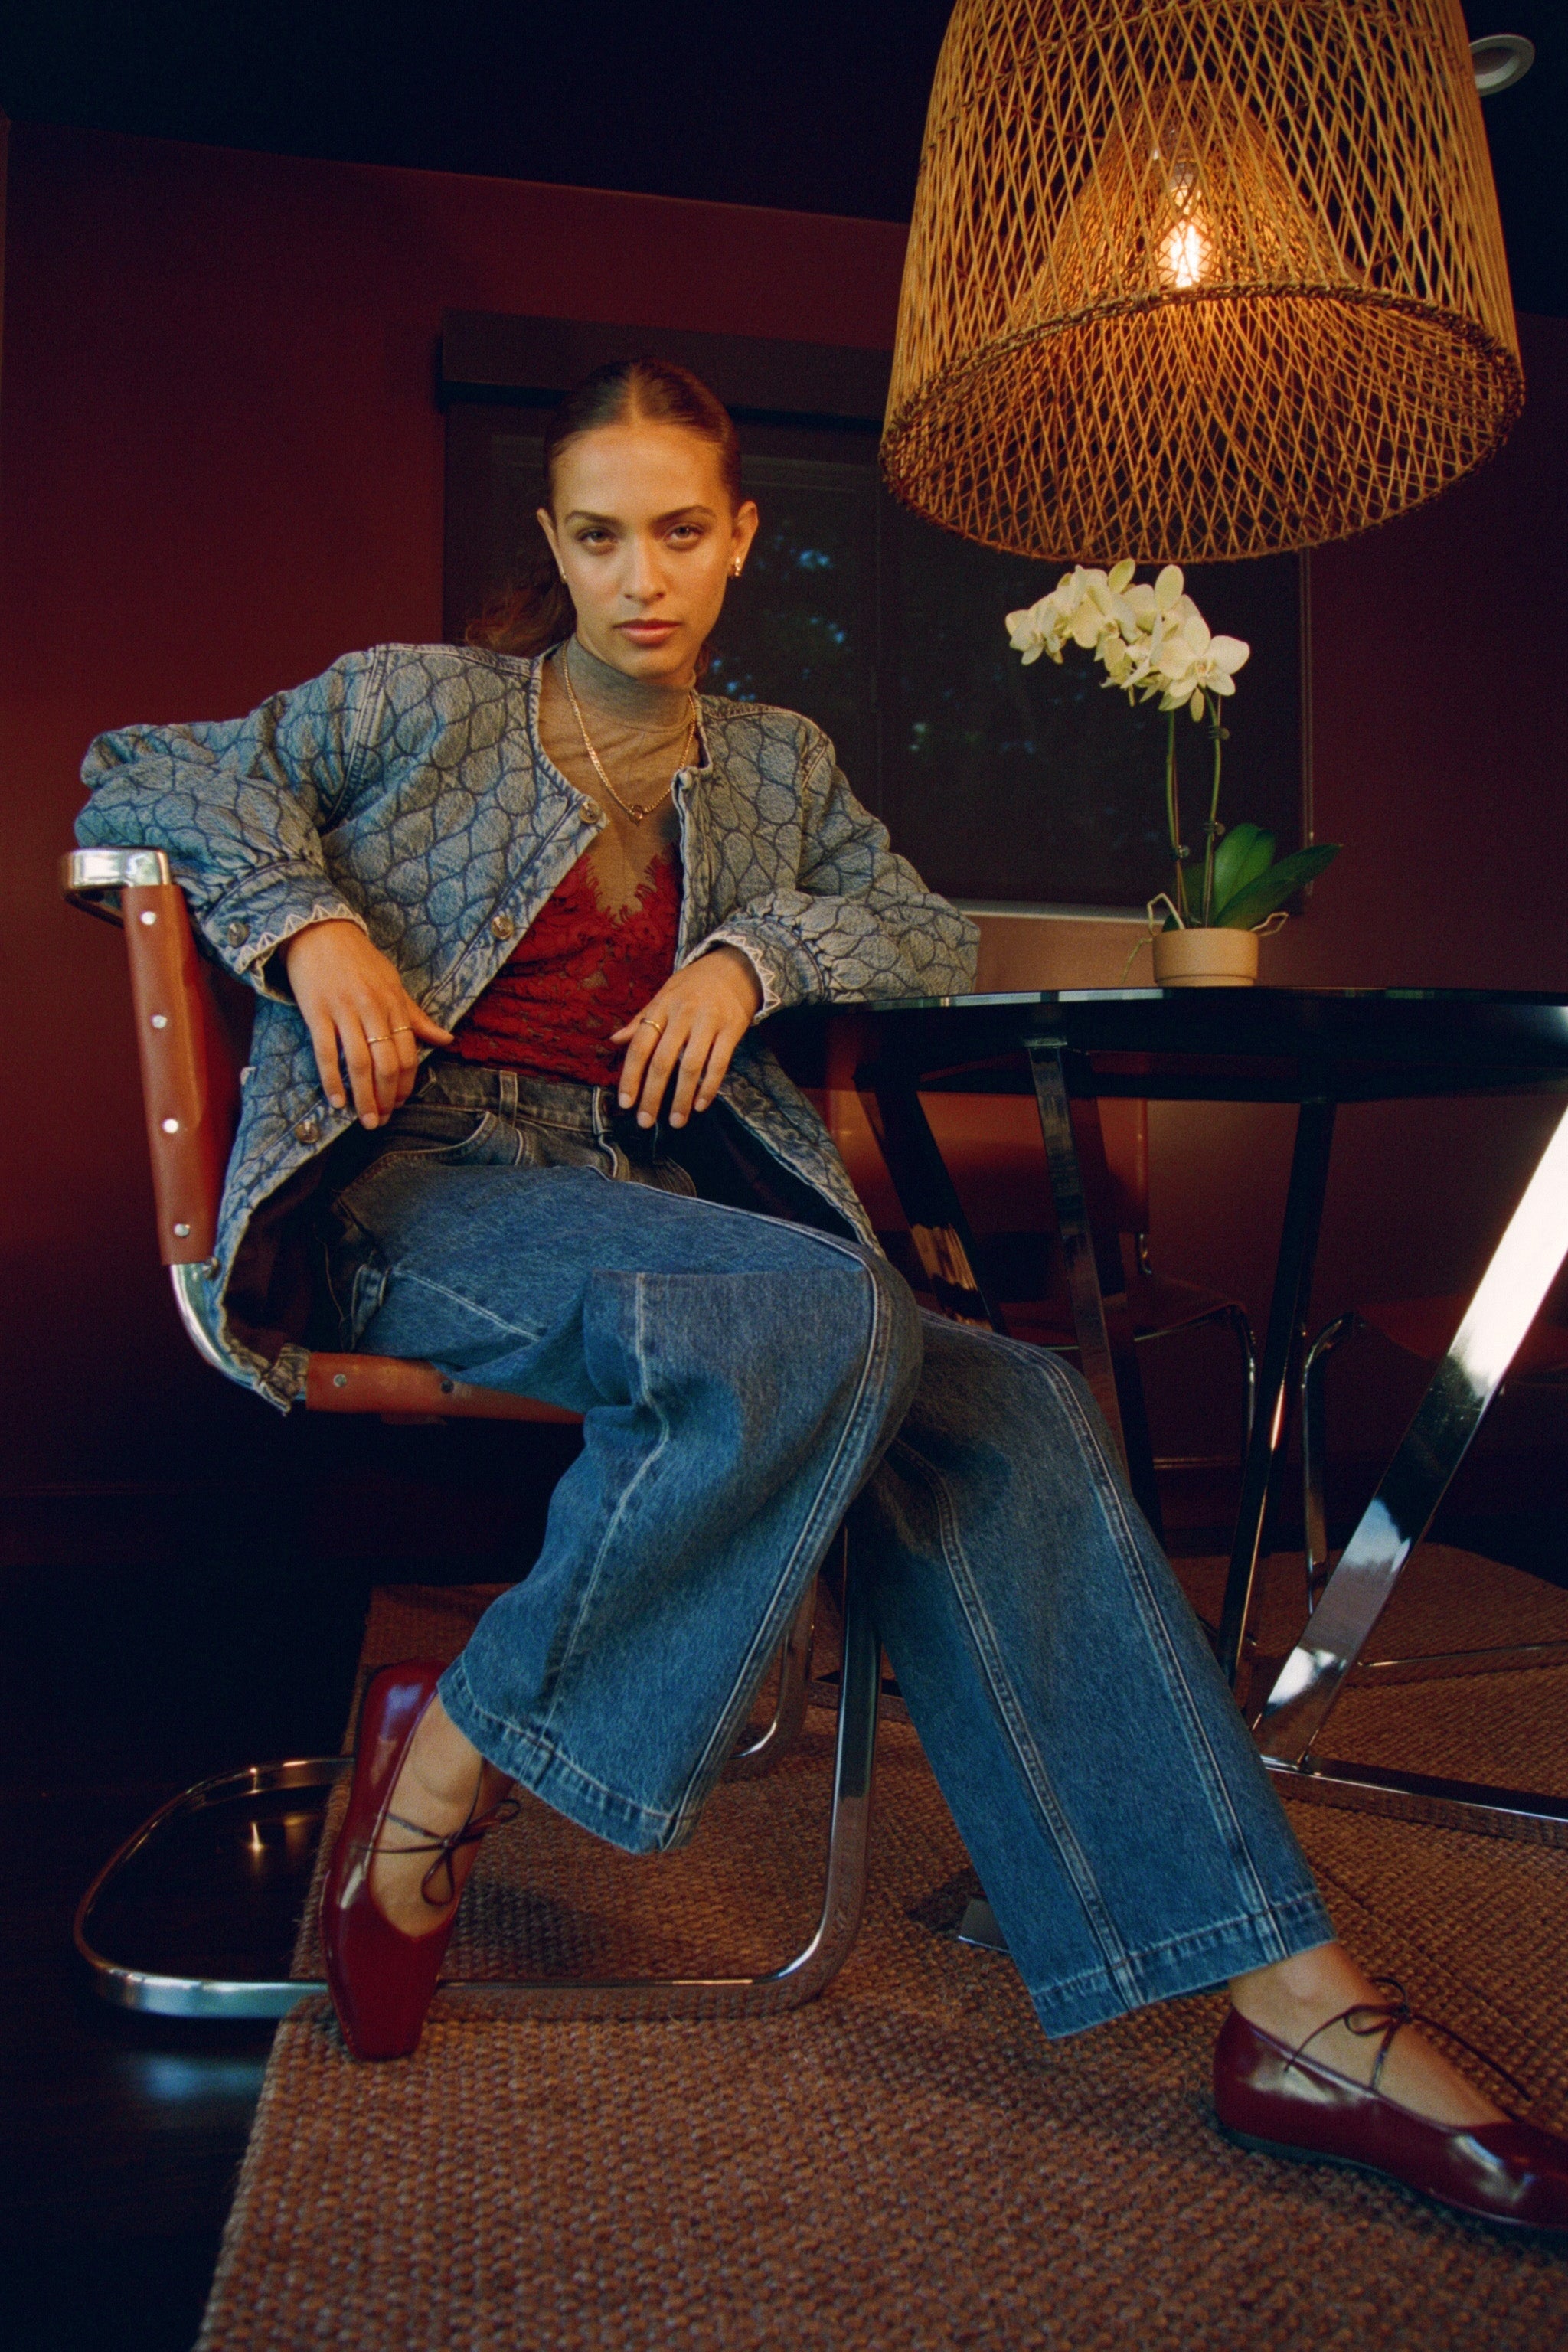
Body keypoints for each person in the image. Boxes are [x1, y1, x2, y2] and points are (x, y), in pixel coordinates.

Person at [77, 358, 1566, 2234]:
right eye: (599, 537)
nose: (640, 577)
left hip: (672, 1211)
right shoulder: (412, 700)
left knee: (1009, 1399)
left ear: (742, 540)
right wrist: (311, 929)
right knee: (819, 1312)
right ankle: (455, 1764)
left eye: (677, 534)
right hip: (423, 1189)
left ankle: (1293, 2013)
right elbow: (144, 768)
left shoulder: (776, 762)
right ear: (551, 540)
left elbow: (918, 926)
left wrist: (747, 954)